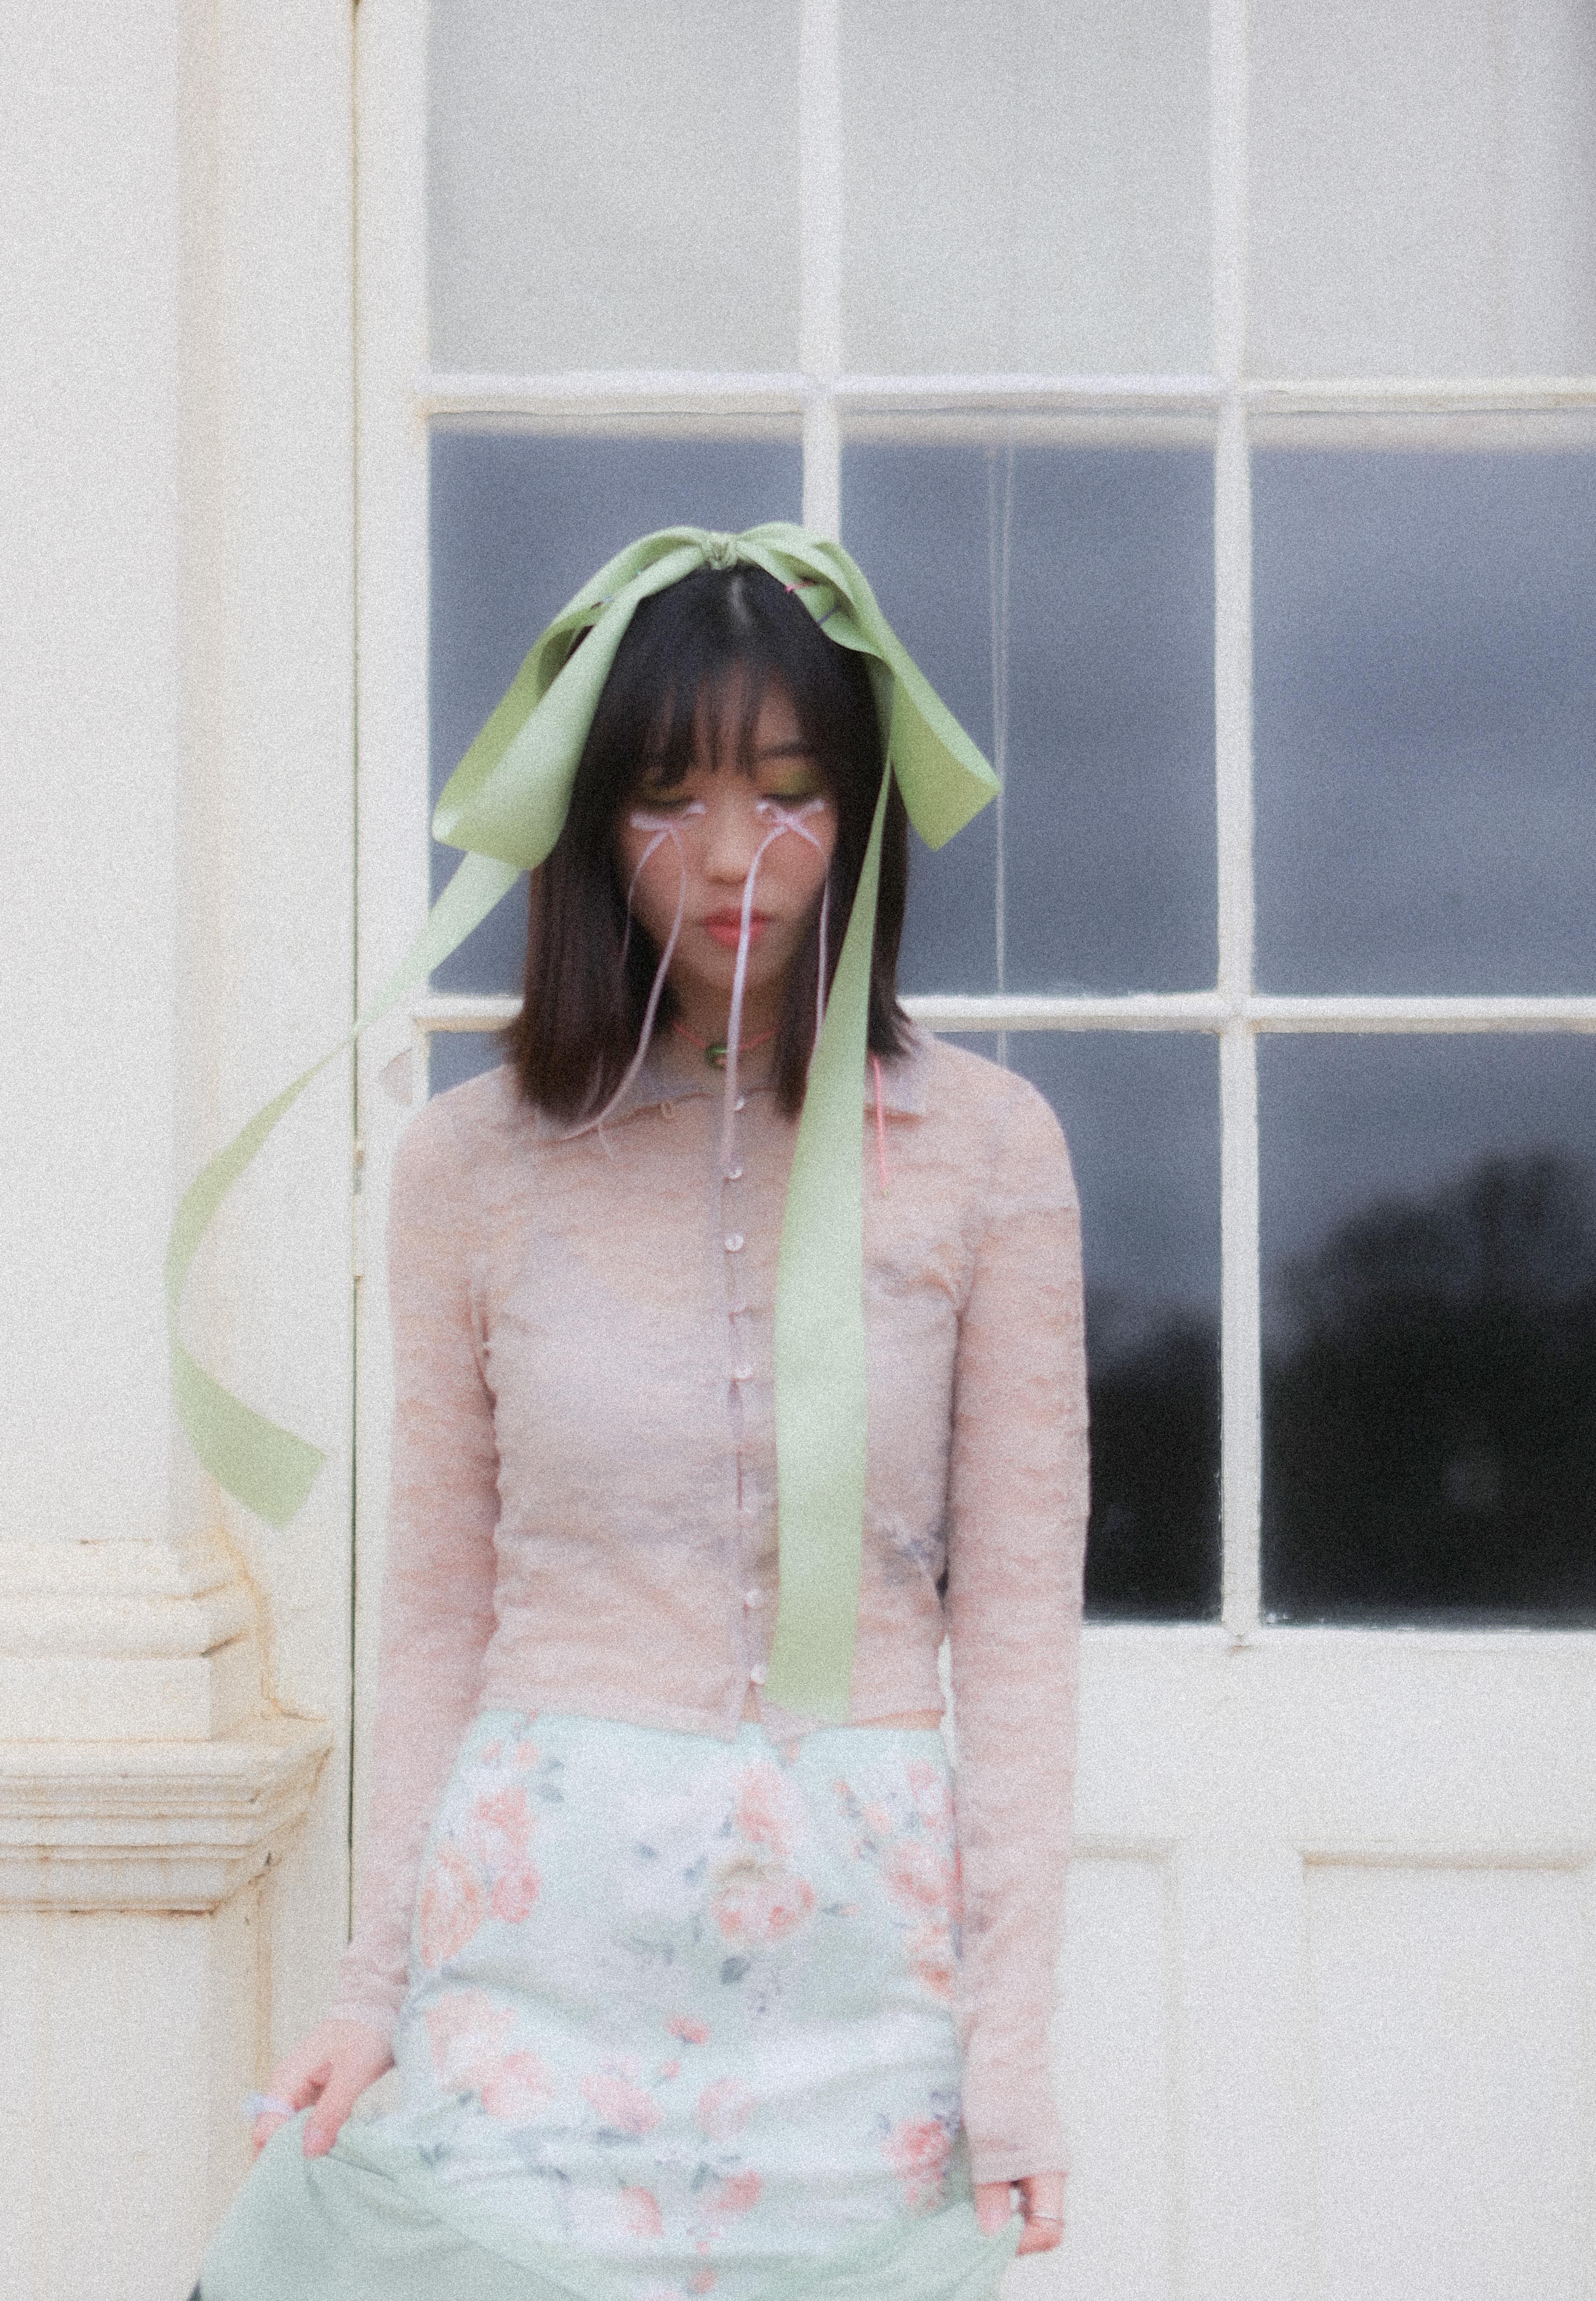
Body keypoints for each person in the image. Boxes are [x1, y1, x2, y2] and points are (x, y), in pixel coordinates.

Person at [195, 530, 1088, 2301]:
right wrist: (373, 1992)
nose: (736, 856)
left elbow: (1015, 1633)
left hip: (860, 1968)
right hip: (536, 1943)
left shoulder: (990, 1150)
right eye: (672, 799)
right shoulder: (471, 1162)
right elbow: (436, 1608)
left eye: (791, 793)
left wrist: (1011, 2051)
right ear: (593, 824)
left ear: (863, 811)